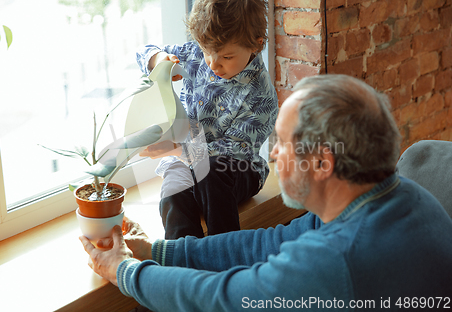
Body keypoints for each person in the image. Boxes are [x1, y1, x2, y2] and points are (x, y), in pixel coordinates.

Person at [80, 74, 452, 311]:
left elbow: (222, 298)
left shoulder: (339, 257)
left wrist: (125, 270)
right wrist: (159, 251)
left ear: (323, 164)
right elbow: (270, 243)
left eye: (283, 143)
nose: (272, 152)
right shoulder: (396, 197)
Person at [136, 0, 279, 239]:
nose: (213, 64)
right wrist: (160, 61)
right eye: (206, 50)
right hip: (185, 162)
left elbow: (234, 150)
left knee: (212, 172)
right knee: (173, 196)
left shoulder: (261, 94)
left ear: (256, 45)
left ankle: (223, 257)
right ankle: (183, 264)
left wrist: (178, 148)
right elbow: (143, 52)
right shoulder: (194, 56)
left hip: (237, 170)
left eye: (226, 57)